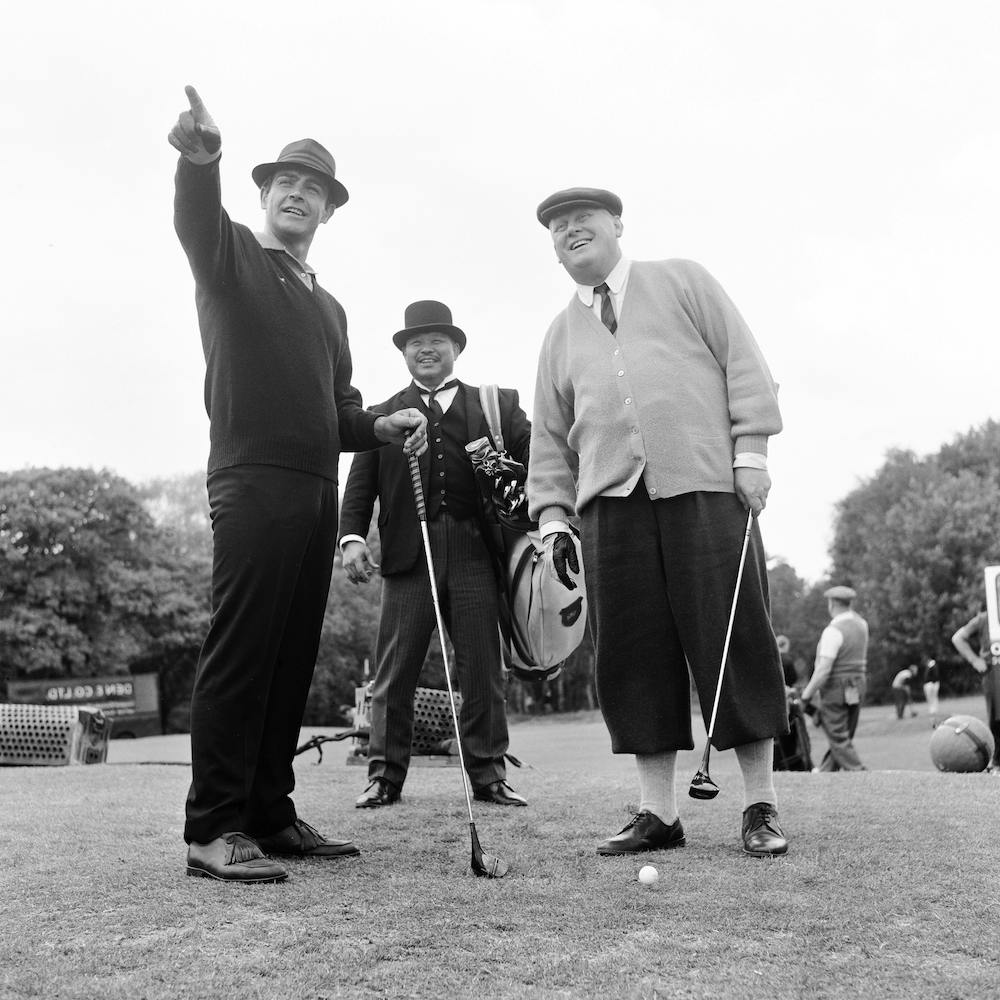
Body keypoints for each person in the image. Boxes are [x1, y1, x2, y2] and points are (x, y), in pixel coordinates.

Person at [169, 86, 427, 884]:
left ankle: (269, 816)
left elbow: (340, 412)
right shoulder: (232, 255)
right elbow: (194, 221)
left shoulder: (333, 308)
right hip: (251, 481)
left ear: (328, 211)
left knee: (290, 659)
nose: (296, 193)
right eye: (284, 181)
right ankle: (212, 831)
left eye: (312, 188)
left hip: (317, 489)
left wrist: (379, 424)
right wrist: (198, 159)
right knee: (243, 650)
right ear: (262, 194)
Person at [527, 187, 789, 858]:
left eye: (582, 217)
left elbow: (744, 362)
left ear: (617, 224)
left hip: (706, 486)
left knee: (735, 646)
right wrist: (553, 516)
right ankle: (659, 814)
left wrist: (752, 452)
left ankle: (760, 806)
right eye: (557, 225)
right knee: (633, 658)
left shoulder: (683, 281)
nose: (569, 229)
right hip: (610, 510)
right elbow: (550, 441)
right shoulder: (558, 334)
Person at [339, 300, 532, 809]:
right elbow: (359, 489)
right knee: (394, 672)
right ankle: (384, 777)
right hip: (408, 557)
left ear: (456, 349)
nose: (426, 350)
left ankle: (488, 776)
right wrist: (352, 538)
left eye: (436, 342)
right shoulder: (377, 416)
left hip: (475, 551)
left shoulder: (499, 406)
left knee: (482, 670)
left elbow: (542, 458)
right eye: (415, 343)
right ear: (404, 353)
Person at [800, 585, 869, 771]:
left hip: (836, 689)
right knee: (844, 734)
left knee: (837, 735)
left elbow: (824, 670)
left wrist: (806, 696)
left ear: (832, 603)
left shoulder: (833, 630)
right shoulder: (862, 624)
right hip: (858, 685)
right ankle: (826, 771)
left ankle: (859, 772)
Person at [951, 610, 1000, 773]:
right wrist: (974, 660)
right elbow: (958, 638)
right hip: (993, 671)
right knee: (997, 718)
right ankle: (998, 762)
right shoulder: (985, 618)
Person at [922, 658, 941, 724]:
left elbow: (931, 676)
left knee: (931, 700)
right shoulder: (934, 665)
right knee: (934, 699)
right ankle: (933, 711)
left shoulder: (930, 665)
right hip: (934, 684)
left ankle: (932, 711)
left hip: (930, 684)